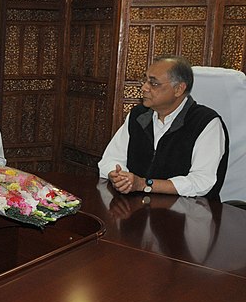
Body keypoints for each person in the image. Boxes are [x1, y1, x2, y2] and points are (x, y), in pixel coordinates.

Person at [98, 56, 229, 198]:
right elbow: (111, 159)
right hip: (136, 208)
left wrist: (144, 184)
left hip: (187, 212)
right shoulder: (138, 115)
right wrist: (119, 176)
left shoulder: (205, 122)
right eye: (145, 80)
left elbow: (202, 182)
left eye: (153, 83)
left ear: (178, 89)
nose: (144, 88)